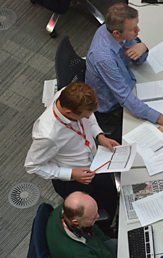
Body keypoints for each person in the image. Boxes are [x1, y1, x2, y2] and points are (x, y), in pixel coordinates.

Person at [86, 2, 163, 143]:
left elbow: (138, 60)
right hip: (113, 108)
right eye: (133, 29)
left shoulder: (113, 30)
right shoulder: (103, 58)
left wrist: (143, 47)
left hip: (129, 83)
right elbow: (125, 98)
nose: (138, 31)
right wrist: (162, 119)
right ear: (116, 33)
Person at [25, 82, 119, 233]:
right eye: (83, 116)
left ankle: (110, 223)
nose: (88, 117)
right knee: (92, 216)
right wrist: (71, 174)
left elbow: (90, 116)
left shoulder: (68, 94)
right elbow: (32, 165)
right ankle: (102, 233)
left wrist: (99, 135)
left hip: (95, 163)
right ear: (69, 112)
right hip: (75, 181)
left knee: (110, 198)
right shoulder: (47, 135)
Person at [46, 191, 117, 258]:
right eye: (93, 218)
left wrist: (106, 240)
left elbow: (95, 230)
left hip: (99, 247)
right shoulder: (79, 255)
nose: (98, 216)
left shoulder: (66, 209)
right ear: (76, 222)